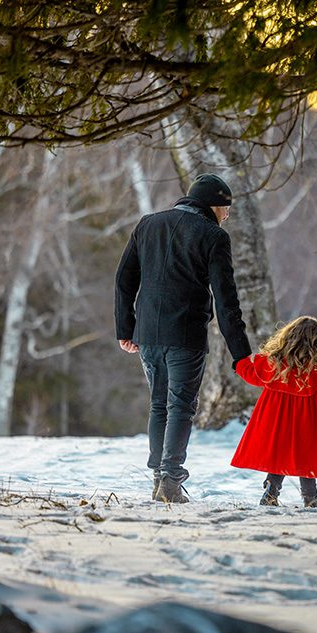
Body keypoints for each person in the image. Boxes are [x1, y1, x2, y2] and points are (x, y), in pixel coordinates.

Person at [115, 173, 252, 504]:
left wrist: (126, 328)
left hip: (146, 334)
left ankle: (158, 478)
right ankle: (171, 480)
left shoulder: (148, 224)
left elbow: (123, 279)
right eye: (226, 207)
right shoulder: (213, 236)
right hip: (185, 335)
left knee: (159, 404)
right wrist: (241, 353)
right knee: (180, 407)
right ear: (212, 205)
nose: (228, 214)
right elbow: (226, 297)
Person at [231, 316, 317, 507]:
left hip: (276, 417)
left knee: (279, 454)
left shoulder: (272, 363)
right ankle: (310, 497)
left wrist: (239, 364)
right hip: (307, 420)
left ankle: (271, 492)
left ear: (287, 336)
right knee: (306, 455)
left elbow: (251, 373)